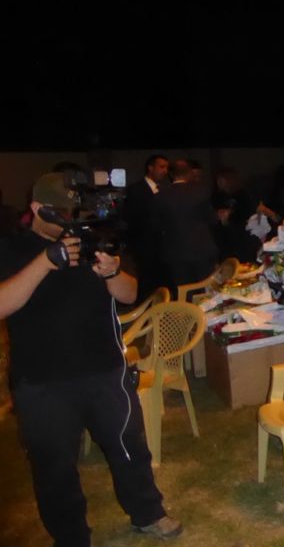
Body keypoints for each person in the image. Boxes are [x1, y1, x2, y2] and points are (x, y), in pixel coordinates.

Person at [0, 173, 182, 545]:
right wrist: (46, 262)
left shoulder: (89, 241)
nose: (70, 220)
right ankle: (71, 536)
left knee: (130, 448)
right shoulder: (12, 248)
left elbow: (129, 294)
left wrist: (112, 272)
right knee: (54, 467)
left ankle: (148, 512)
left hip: (105, 373)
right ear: (37, 209)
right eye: (60, 213)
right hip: (42, 381)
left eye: (73, 211)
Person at [152, 160, 218, 295]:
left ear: (170, 175)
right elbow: (211, 219)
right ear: (189, 173)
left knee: (183, 291)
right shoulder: (200, 192)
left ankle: (187, 314)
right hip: (201, 249)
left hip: (175, 253)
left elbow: (156, 225)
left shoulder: (160, 196)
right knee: (206, 290)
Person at [122, 154, 169, 299]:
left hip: (162, 244)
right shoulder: (136, 189)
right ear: (150, 168)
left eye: (166, 168)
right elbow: (132, 217)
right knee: (146, 281)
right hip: (144, 244)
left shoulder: (165, 189)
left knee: (162, 280)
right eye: (161, 167)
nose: (165, 171)